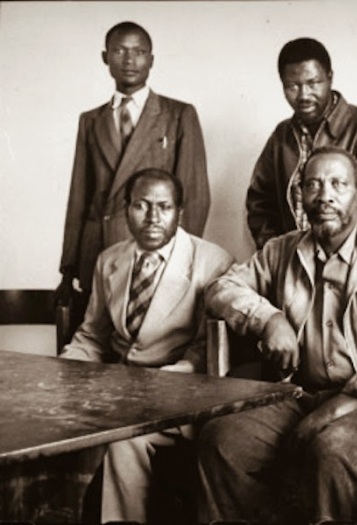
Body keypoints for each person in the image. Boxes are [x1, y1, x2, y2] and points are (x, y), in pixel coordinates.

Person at [199, 146, 357, 523]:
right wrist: (269, 318)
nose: (324, 195)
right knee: (223, 439)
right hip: (299, 394)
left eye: (338, 184)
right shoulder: (281, 250)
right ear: (301, 196)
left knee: (333, 447)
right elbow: (220, 289)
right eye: (313, 184)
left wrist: (345, 403)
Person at [60, 168, 231, 523]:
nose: (153, 217)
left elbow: (204, 350)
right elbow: (92, 336)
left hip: (179, 394)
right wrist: (60, 378)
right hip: (116, 392)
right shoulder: (110, 259)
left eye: (164, 207)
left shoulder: (213, 262)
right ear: (126, 210)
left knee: (124, 439)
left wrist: (155, 387)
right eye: (141, 205)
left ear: (180, 212)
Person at [57, 21, 210, 312]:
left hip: (155, 250)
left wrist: (179, 259)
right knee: (97, 342)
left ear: (151, 60)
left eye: (139, 51)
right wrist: (68, 268)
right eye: (120, 51)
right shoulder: (90, 120)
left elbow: (194, 196)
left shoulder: (178, 114)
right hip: (99, 252)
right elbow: (78, 198)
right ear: (106, 57)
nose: (129, 60)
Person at [246, 37, 357, 249]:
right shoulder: (281, 136)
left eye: (313, 83)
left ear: (330, 78)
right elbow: (259, 205)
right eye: (292, 86)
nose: (304, 95)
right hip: (296, 267)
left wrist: (351, 252)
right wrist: (280, 254)